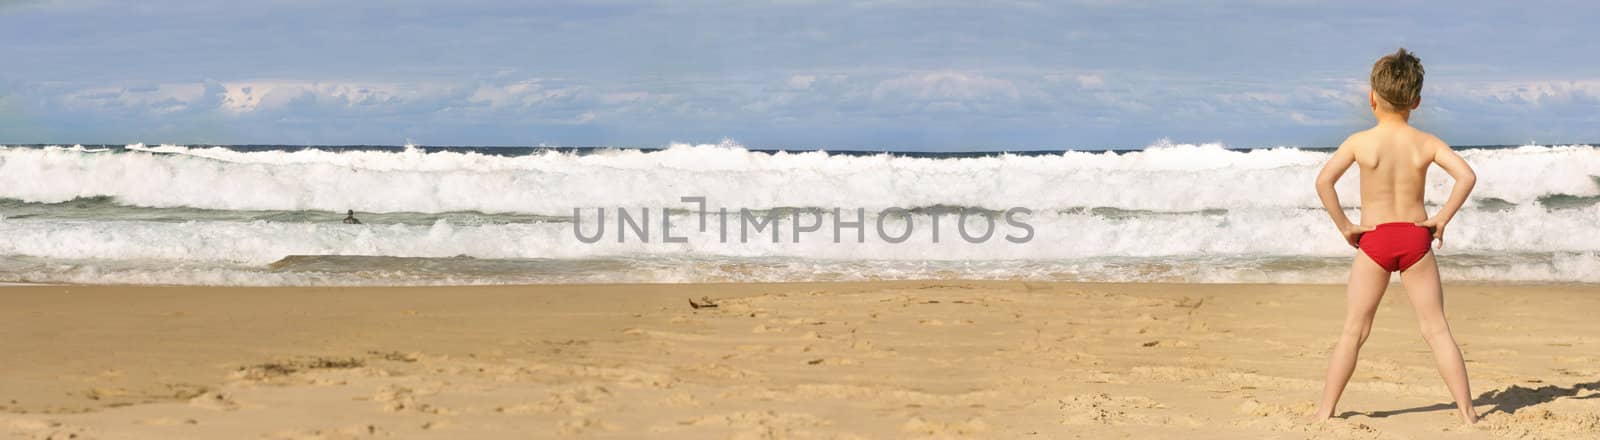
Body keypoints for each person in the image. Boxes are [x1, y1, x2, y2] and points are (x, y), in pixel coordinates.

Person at [1310, 48, 1479, 425]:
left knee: (1354, 330)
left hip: (1375, 242)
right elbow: (1466, 176)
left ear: (1371, 96)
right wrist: (1441, 219)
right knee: (1436, 330)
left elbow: (1324, 182)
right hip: (1416, 240)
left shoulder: (1359, 142)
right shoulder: (1426, 142)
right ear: (1416, 101)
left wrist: (1346, 226)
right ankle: (1468, 414)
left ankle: (1325, 412)